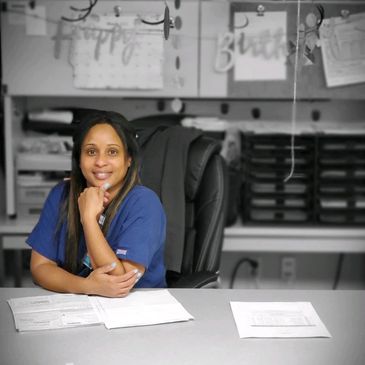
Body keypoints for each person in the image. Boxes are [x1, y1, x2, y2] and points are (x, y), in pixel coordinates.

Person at [27, 110, 167, 297]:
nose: (100, 162)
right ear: (79, 159)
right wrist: (86, 286)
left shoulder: (144, 203)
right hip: (82, 306)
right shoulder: (61, 194)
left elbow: (120, 283)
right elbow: (40, 267)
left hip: (138, 310)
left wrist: (88, 219)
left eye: (112, 152)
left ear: (128, 160)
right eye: (91, 151)